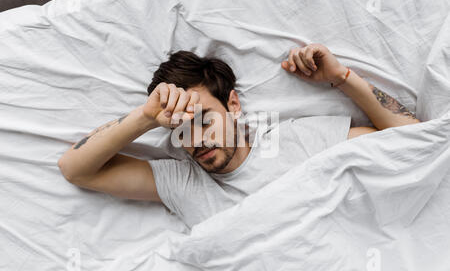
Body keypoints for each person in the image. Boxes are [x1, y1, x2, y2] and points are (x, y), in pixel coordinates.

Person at [58, 44, 420, 227]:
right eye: (179, 128)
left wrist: (340, 76)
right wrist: (146, 118)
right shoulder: (184, 180)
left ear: (232, 105)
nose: (195, 139)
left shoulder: (296, 139)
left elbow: (416, 142)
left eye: (202, 120)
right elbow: (77, 169)